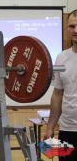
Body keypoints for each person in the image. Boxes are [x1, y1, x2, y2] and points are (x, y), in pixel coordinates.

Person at [44, 9, 77, 161]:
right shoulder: (61, 57)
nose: (75, 30)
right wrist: (50, 126)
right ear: (67, 29)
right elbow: (57, 95)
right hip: (67, 129)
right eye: (72, 26)